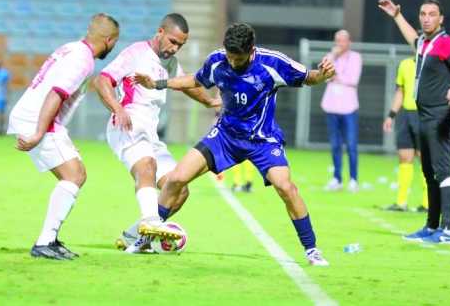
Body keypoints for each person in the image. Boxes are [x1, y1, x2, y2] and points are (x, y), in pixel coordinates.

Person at [135, 23, 336, 266]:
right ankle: (147, 237)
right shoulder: (218, 60)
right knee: (177, 178)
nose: (231, 62)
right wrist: (157, 83)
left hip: (262, 139)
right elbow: (196, 80)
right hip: (225, 136)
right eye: (229, 56)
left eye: (237, 58)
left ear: (251, 51)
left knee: (286, 188)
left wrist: (322, 75)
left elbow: (308, 78)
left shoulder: (272, 63)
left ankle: (312, 249)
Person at [95, 13, 221, 253]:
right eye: (173, 41)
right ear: (160, 32)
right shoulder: (136, 53)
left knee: (179, 188)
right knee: (147, 166)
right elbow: (102, 80)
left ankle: (132, 236)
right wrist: (117, 108)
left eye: (180, 45)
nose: (175, 49)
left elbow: (185, 84)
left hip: (151, 135)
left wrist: (210, 102)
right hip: (127, 125)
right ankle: (151, 222)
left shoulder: (170, 63)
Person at [7, 13, 120, 259]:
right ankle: (44, 242)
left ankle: (50, 239)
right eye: (115, 42)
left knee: (74, 173)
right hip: (37, 118)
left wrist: (61, 133)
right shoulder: (83, 60)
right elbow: (55, 94)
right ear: (109, 40)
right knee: (75, 174)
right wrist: (39, 132)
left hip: (39, 116)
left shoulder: (71, 49)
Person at [378, 0, 450, 243]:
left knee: (444, 171)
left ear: (441, 19)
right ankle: (431, 227)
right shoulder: (423, 42)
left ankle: (448, 230)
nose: (427, 18)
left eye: (432, 14)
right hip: (424, 115)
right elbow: (412, 37)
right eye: (423, 14)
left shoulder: (446, 42)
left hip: (442, 115)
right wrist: (397, 15)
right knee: (429, 171)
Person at [381, 57, 429, 212]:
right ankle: (401, 202)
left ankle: (427, 204)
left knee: (425, 158)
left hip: (425, 114)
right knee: (404, 156)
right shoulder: (405, 64)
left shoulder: (434, 63)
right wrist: (391, 115)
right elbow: (400, 91)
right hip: (405, 115)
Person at [321, 30, 362, 192]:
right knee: (335, 145)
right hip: (331, 106)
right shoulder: (330, 56)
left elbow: (353, 80)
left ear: (349, 42)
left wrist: (335, 76)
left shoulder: (356, 57)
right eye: (337, 40)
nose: (339, 44)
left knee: (351, 144)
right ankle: (336, 178)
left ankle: (353, 179)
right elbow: (324, 75)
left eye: (342, 40)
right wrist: (332, 56)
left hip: (349, 107)